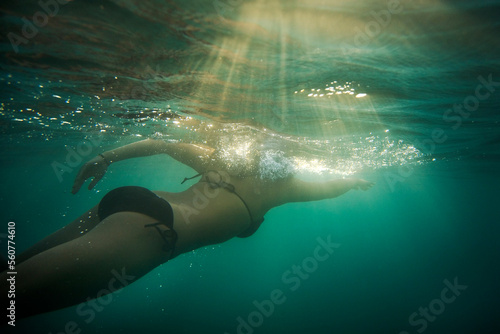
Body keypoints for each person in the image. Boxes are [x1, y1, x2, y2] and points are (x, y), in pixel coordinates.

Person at [1, 138, 373, 319]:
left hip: (132, 201)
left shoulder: (219, 160)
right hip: (150, 232)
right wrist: (354, 180)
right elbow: (329, 186)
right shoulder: (280, 187)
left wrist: (105, 157)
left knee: (13, 276)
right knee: (13, 300)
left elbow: (162, 143)